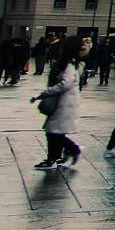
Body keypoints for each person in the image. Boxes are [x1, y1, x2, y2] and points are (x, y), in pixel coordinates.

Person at [33, 37, 85, 172]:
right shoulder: (73, 64)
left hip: (64, 103)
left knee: (53, 131)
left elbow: (65, 84)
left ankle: (68, 151)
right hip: (65, 103)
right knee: (54, 131)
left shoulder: (69, 65)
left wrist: (45, 93)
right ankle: (56, 157)